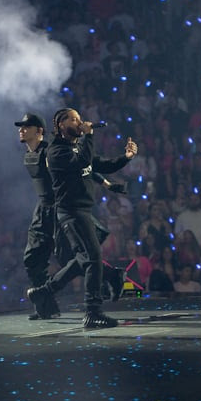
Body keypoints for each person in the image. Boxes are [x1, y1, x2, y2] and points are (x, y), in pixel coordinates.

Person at [26, 108, 138, 328]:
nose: (79, 122)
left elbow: (101, 164)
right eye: (74, 119)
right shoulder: (56, 151)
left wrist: (126, 157)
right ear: (60, 125)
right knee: (93, 257)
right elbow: (82, 162)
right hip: (71, 212)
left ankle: (44, 292)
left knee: (83, 258)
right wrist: (89, 135)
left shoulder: (75, 148)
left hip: (82, 210)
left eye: (80, 119)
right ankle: (93, 311)